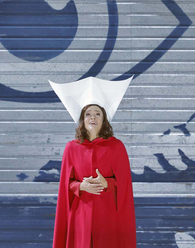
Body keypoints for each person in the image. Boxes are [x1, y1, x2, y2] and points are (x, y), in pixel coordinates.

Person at [49, 76, 136, 248]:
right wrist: (80, 186)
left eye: (97, 113)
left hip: (107, 215)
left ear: (104, 119)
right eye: (88, 114)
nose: (92, 117)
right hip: (81, 215)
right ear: (82, 119)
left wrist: (107, 182)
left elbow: (124, 184)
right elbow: (66, 184)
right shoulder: (71, 148)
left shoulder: (116, 146)